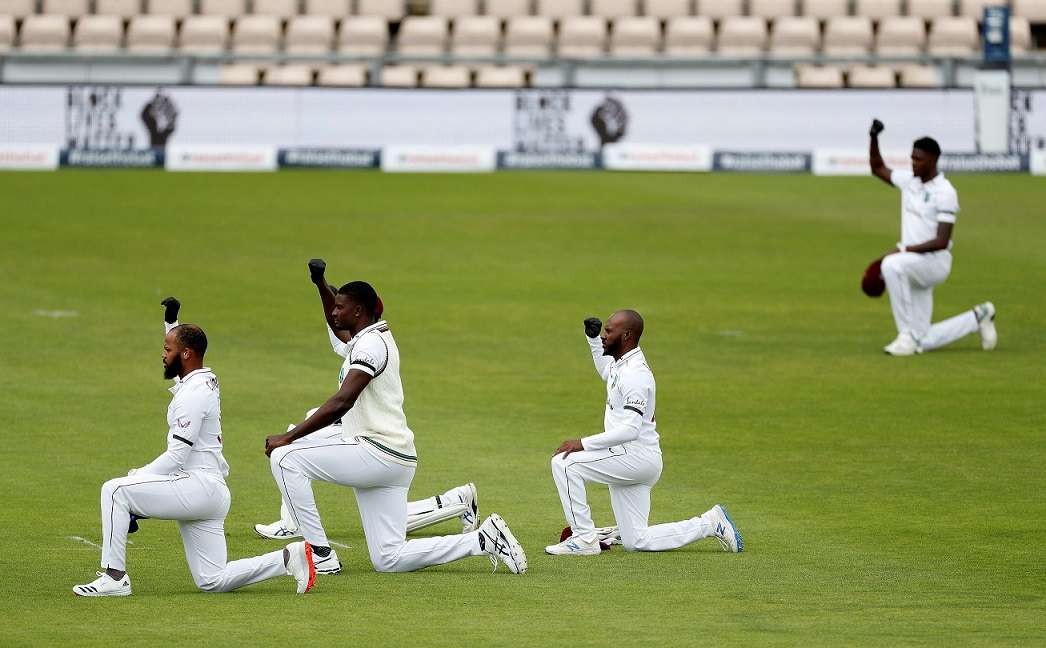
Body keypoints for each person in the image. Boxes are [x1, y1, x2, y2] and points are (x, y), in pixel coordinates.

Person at [263, 281, 527, 577]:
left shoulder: (371, 345)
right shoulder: (365, 339)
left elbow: (343, 401)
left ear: (359, 311)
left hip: (376, 453)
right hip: (395, 459)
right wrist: (320, 283)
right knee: (389, 558)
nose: (334, 313)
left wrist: (289, 436)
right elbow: (336, 326)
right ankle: (482, 539)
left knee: (285, 457)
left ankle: (320, 554)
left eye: (340, 308)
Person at [73, 299, 315, 597]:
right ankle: (288, 558)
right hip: (207, 491)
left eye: (167, 350)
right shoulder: (198, 380)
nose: (163, 356)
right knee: (212, 580)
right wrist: (171, 324)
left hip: (197, 487)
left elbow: (177, 456)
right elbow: (180, 367)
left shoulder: (194, 395)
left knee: (115, 490)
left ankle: (114, 578)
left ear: (186, 354)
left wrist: (138, 476)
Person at [545, 312, 743, 557]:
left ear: (626, 335)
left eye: (609, 332)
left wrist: (582, 444)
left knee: (564, 464)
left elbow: (630, 429)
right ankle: (710, 523)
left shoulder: (636, 374)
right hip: (636, 459)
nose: (606, 336)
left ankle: (584, 539)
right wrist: (593, 340)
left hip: (634, 457)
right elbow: (607, 372)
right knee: (636, 540)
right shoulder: (621, 363)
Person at [868, 119, 997, 356]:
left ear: (934, 160)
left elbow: (942, 242)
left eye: (919, 159)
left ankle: (905, 337)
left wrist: (903, 251)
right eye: (912, 158)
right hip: (914, 264)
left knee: (891, 265)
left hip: (934, 263)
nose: (913, 163)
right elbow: (877, 168)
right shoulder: (910, 182)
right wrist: (874, 137)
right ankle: (979, 316)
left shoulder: (946, 192)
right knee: (924, 338)